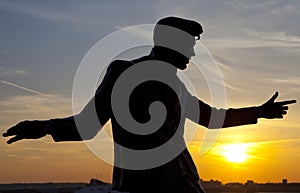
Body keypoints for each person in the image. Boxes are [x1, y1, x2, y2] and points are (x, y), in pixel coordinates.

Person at [3, 17, 296, 193]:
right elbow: (89, 125)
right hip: (143, 187)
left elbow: (211, 118)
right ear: (172, 43)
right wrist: (43, 127)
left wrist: (258, 112)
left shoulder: (178, 85)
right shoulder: (123, 72)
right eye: (190, 43)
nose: (194, 51)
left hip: (186, 185)